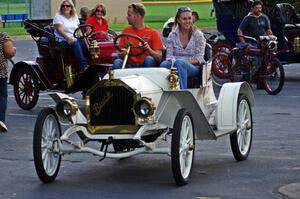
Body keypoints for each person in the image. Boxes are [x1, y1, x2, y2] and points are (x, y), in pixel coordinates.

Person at [160, 7, 206, 89]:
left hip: (193, 67)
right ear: (178, 20)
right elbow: (169, 57)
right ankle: (163, 91)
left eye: (189, 18)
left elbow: (199, 59)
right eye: (184, 19)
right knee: (164, 64)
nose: (188, 21)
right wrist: (176, 62)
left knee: (180, 63)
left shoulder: (198, 35)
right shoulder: (172, 35)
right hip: (175, 64)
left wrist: (182, 62)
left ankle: (182, 92)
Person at [113, 3, 164, 69]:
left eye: (129, 15)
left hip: (145, 65)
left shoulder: (153, 33)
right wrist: (123, 53)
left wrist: (149, 50)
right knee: (117, 62)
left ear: (137, 16)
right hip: (129, 65)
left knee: (149, 59)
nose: (127, 17)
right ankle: (117, 79)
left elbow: (159, 58)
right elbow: (119, 53)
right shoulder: (125, 31)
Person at [53, 0, 87, 69]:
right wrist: (67, 38)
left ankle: (92, 63)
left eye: (68, 6)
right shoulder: (58, 16)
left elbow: (78, 29)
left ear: (71, 7)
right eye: (63, 6)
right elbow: (59, 30)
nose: (65, 7)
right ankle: (83, 66)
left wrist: (81, 35)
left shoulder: (74, 16)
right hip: (62, 40)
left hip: (74, 38)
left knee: (87, 43)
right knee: (75, 42)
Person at [0, 32, 16, 132]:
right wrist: (14, 50)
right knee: (2, 96)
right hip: (1, 73)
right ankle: (0, 120)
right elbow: (9, 53)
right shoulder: (3, 37)